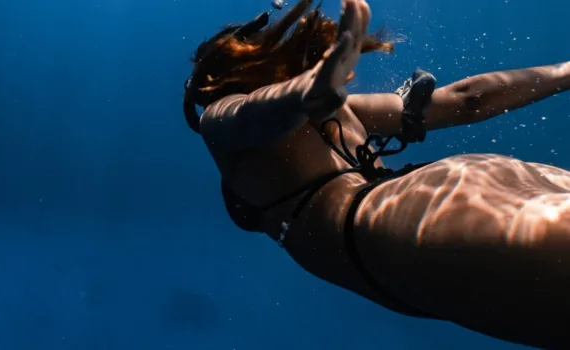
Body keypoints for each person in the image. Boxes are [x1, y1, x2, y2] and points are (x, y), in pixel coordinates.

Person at [182, 0, 570, 348]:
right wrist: (309, 87)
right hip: (457, 191)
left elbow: (466, 101)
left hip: (413, 222)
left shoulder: (329, 104)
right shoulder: (220, 120)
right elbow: (257, 115)